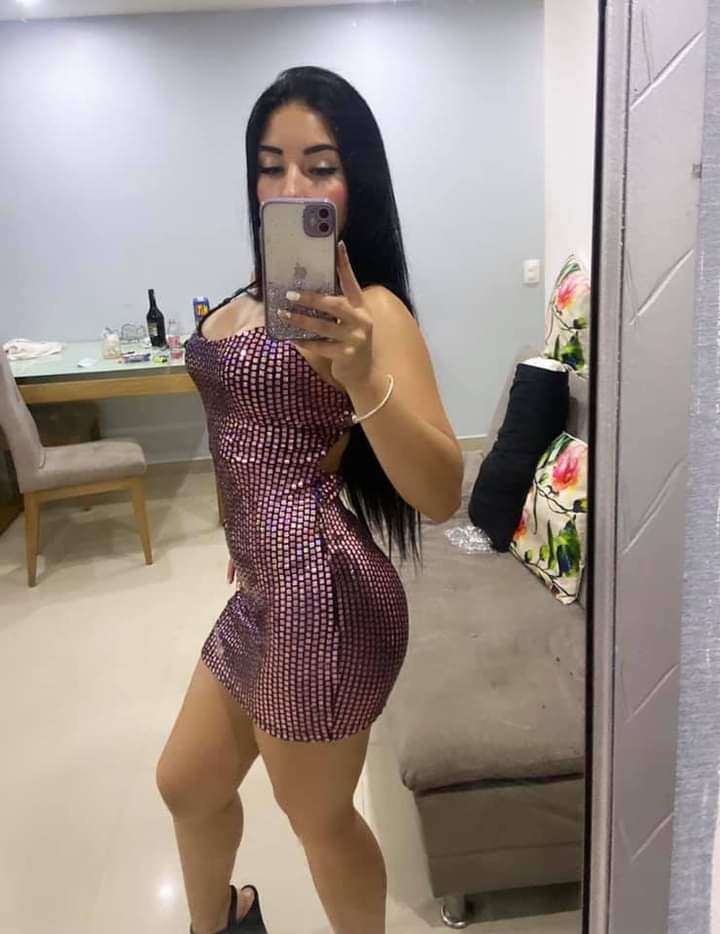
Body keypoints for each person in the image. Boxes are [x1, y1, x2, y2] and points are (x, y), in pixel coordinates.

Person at [156, 66, 463, 934]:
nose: (291, 185)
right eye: (270, 165)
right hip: (263, 583)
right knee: (186, 783)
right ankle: (225, 920)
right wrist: (247, 528)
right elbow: (253, 432)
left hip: (319, 596)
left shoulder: (371, 314)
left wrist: (363, 377)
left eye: (319, 166)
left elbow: (442, 492)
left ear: (355, 181)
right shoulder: (255, 298)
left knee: (317, 819)